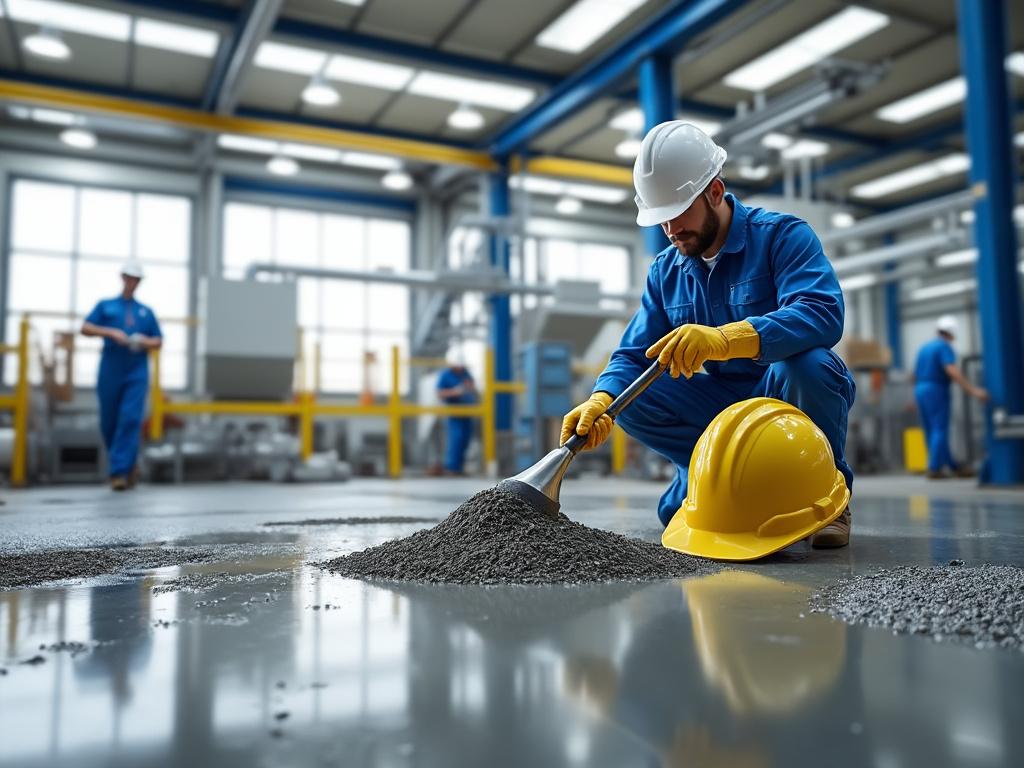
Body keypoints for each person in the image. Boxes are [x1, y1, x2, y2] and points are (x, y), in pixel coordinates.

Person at [560, 121, 856, 548]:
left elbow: (822, 312)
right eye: (660, 219)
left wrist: (725, 338)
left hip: (779, 392)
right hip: (717, 407)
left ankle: (826, 494)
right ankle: (708, 477)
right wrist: (601, 400)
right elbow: (632, 355)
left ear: (715, 192)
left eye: (678, 212)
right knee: (632, 397)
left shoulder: (782, 237)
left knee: (810, 365)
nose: (669, 230)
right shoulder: (666, 270)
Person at [81, 262, 162, 490]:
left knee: (129, 418)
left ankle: (118, 473)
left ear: (139, 282)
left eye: (136, 279)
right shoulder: (106, 306)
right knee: (109, 422)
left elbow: (158, 340)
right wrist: (110, 332)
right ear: (123, 278)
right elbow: (86, 327)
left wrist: (143, 341)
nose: (132, 282)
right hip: (111, 367)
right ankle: (129, 465)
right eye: (129, 277)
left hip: (136, 369)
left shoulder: (146, 312)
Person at [912, 315, 988, 478]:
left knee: (930, 430)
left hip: (920, 388)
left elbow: (913, 374)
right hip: (936, 389)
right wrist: (973, 390)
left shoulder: (925, 347)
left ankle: (951, 465)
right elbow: (951, 370)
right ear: (951, 332)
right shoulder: (944, 347)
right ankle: (934, 468)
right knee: (940, 429)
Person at [436, 351, 478, 476]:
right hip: (454, 413)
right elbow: (440, 393)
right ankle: (452, 468)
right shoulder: (445, 375)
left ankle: (460, 467)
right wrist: (455, 392)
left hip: (467, 412)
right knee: (456, 438)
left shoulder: (466, 373)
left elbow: (471, 386)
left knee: (465, 439)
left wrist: (469, 388)